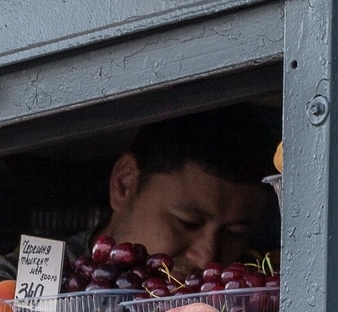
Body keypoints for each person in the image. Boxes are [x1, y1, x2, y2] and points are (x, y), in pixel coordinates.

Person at [83, 106, 279, 275]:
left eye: (234, 233)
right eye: (187, 222)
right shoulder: (56, 281)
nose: (206, 258)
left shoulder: (262, 294)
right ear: (124, 184)